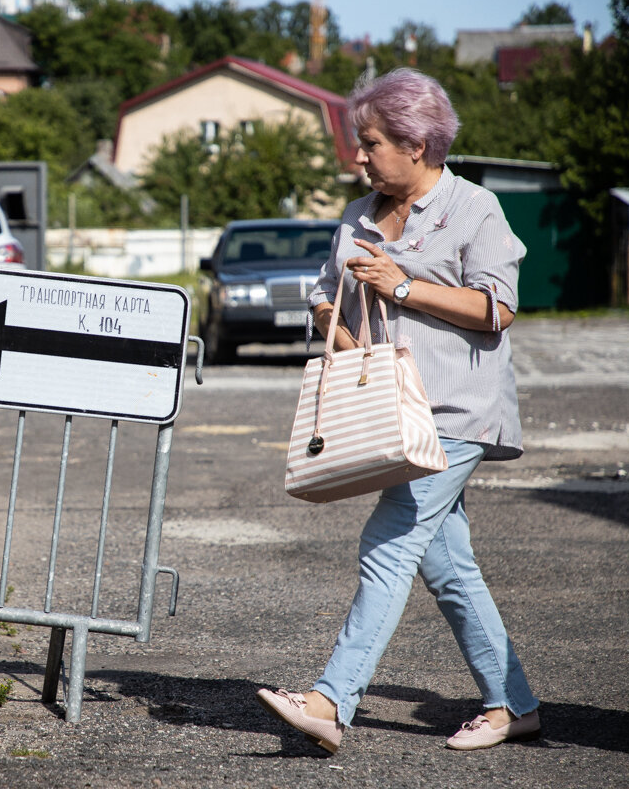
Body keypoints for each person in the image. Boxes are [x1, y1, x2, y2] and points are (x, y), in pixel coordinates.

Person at [256, 67, 540, 754]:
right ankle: (514, 706)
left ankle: (329, 700)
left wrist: (405, 286)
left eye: (372, 142)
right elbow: (324, 293)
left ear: (417, 145)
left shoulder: (475, 209)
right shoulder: (357, 215)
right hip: (388, 409)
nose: (360, 155)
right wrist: (337, 323)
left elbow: (498, 307)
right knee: (446, 566)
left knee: (386, 545)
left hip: (455, 410)